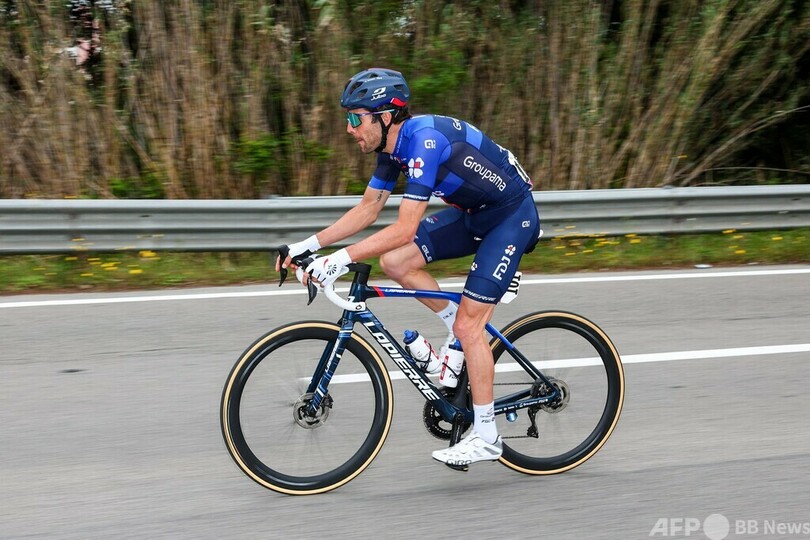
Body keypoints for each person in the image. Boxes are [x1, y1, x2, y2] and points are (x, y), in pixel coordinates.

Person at [277, 67, 541, 469]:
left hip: (510, 219)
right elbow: (368, 209)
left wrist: (340, 260)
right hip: (475, 215)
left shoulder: (425, 142)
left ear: (385, 116)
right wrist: (307, 246)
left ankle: (487, 437)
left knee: (471, 327)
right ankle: (457, 328)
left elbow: (404, 228)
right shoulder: (392, 149)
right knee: (395, 262)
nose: (349, 128)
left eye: (355, 118)